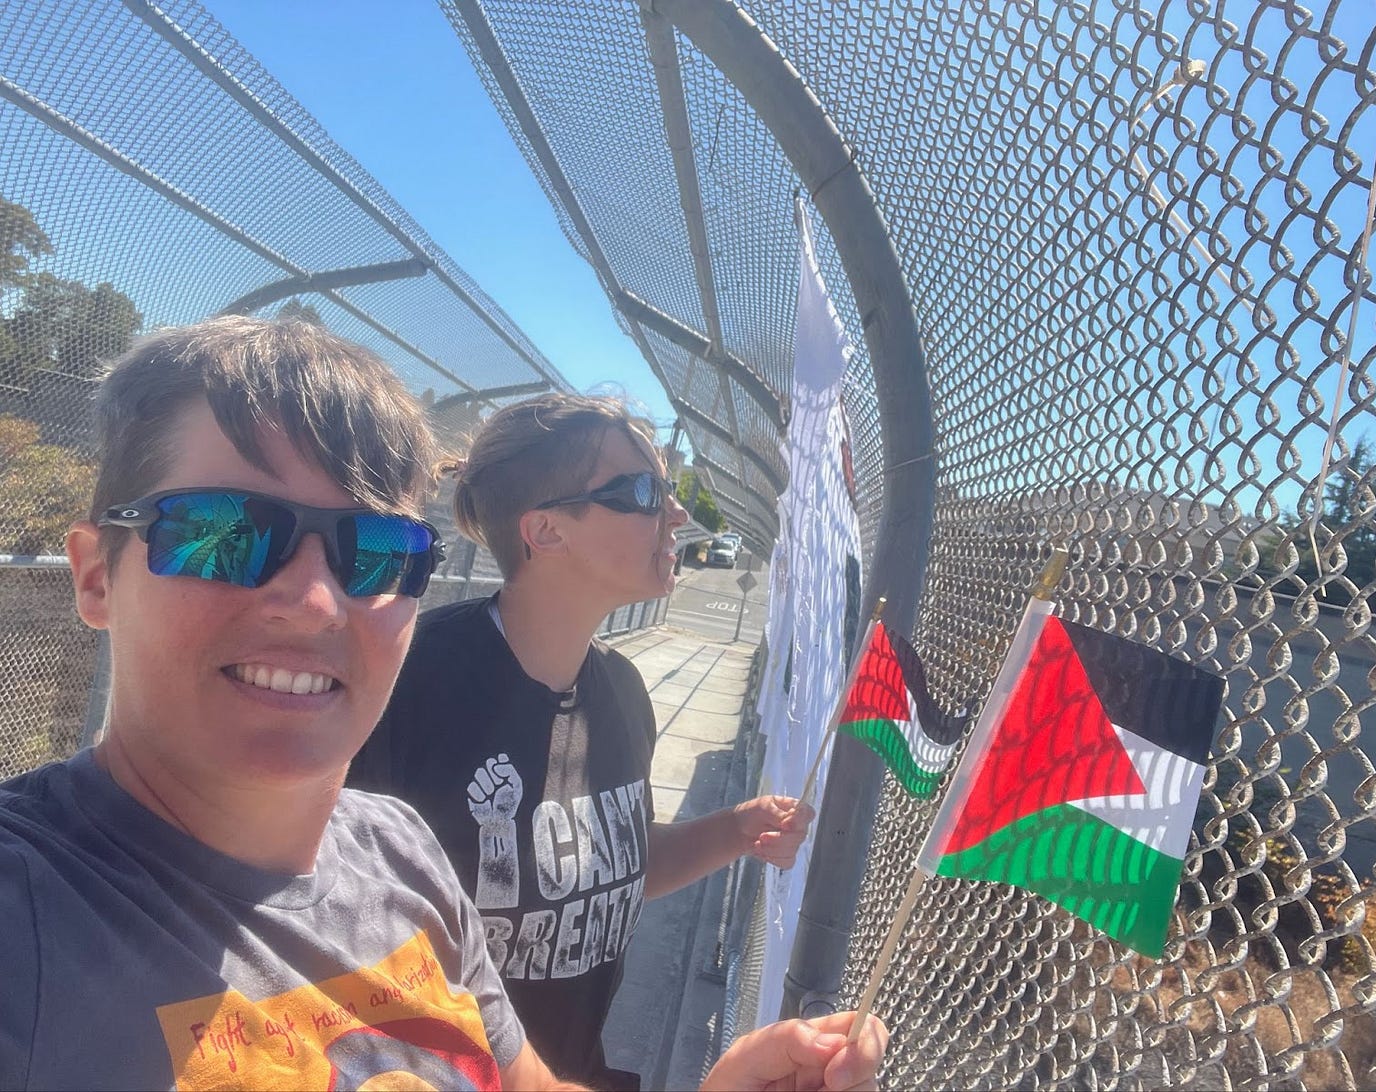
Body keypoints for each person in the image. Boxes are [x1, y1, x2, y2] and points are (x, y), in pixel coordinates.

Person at [0, 318, 886, 1091]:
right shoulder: (34, 917)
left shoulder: (400, 857)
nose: (314, 601)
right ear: (93, 575)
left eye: (379, 552)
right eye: (224, 534)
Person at [350, 393, 815, 1088]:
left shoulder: (621, 694)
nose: (677, 515)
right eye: (643, 492)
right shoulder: (408, 683)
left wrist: (737, 830)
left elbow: (604, 874)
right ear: (546, 530)